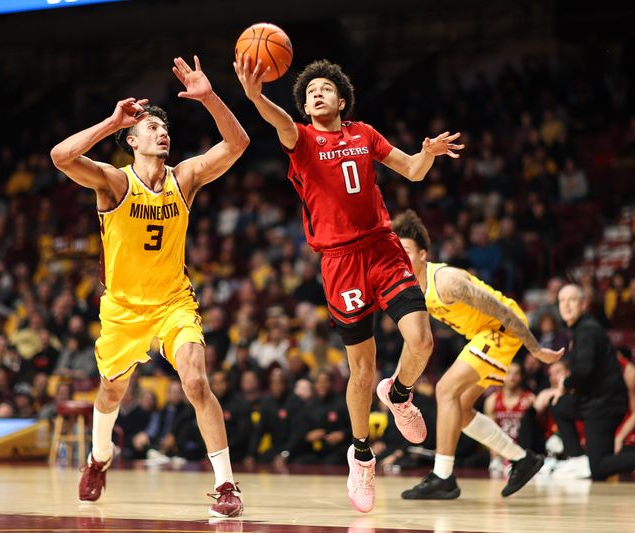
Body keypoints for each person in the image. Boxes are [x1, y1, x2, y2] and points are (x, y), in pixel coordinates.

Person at [234, 55, 463, 513]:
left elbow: (413, 171)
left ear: (342, 100)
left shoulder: (363, 133)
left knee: (421, 340)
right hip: (340, 262)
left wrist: (428, 155)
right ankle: (361, 455)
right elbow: (279, 120)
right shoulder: (300, 138)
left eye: (324, 88)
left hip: (382, 248)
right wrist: (257, 96)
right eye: (309, 91)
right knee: (361, 368)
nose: (315, 93)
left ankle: (398, 394)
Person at [50, 55, 249, 517]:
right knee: (111, 392)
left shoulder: (185, 178)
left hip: (173, 302)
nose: (162, 132)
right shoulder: (115, 183)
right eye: (150, 127)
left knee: (196, 381)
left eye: (164, 127)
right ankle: (99, 459)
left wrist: (210, 97)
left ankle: (226, 487)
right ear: (132, 142)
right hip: (123, 308)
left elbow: (237, 143)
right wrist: (111, 121)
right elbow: (61, 157)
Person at [391, 210, 563, 499]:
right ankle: (523, 459)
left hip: (502, 328)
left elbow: (504, 310)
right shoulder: (413, 290)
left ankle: (442, 476)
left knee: (445, 390)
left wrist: (536, 350)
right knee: (459, 409)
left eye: (406, 250)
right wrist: (398, 382)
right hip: (481, 336)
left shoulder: (446, 281)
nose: (399, 257)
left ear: (422, 255)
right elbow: (414, 341)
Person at [549, 284, 635, 480]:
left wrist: (565, 384)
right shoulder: (581, 329)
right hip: (591, 401)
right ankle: (578, 459)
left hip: (604, 405)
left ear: (584, 304)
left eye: (571, 300)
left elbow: (584, 369)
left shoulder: (587, 329)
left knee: (598, 468)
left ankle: (583, 462)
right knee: (559, 406)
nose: (566, 305)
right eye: (562, 300)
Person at [483, 360, 535, 473]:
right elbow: (490, 430)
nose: (512, 377)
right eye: (509, 373)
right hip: (500, 449)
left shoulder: (529, 398)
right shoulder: (492, 400)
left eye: (516, 373)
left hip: (522, 448)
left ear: (521, 377)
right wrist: (495, 454)